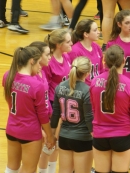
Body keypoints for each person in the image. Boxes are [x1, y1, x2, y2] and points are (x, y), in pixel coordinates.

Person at [90, 45, 130, 173]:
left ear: (104, 61)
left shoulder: (94, 82)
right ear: (124, 61)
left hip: (100, 135)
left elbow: (93, 111)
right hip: (123, 136)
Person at [2, 46, 55, 173]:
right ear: (32, 61)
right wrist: (49, 135)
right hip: (30, 132)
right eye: (38, 63)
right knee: (29, 169)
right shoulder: (36, 84)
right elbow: (42, 115)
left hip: (11, 128)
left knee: (11, 167)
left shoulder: (7, 76)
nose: (39, 67)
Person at [51, 56, 93, 173]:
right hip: (83, 138)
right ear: (88, 73)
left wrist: (52, 135)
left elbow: (55, 114)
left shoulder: (60, 87)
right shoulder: (87, 90)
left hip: (64, 137)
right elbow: (89, 119)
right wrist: (98, 138)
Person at [42, 29, 73, 173]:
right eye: (67, 41)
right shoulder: (49, 63)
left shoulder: (66, 57)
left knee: (57, 144)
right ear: (59, 44)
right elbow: (44, 89)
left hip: (64, 107)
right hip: (53, 108)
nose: (71, 43)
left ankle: (51, 170)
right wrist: (49, 112)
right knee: (48, 145)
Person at [68, 19, 104, 86]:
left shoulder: (96, 46)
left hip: (98, 86)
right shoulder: (75, 51)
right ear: (86, 34)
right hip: (84, 89)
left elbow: (101, 70)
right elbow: (75, 76)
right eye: (95, 30)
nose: (99, 32)